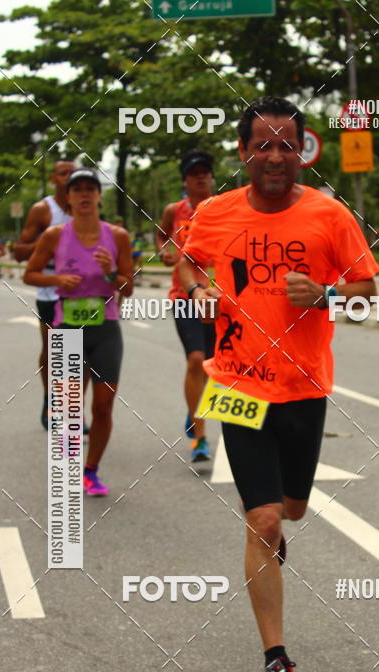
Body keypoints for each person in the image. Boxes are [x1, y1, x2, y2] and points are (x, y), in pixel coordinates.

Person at [179, 97, 378, 672]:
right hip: (237, 386)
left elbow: (366, 292)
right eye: (262, 145)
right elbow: (186, 264)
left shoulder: (329, 215)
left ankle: (275, 528)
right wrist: (198, 286)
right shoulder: (214, 214)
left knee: (291, 511)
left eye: (285, 145)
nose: (274, 156)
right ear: (243, 154)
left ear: (301, 153)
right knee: (261, 519)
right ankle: (277, 663)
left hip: (305, 388)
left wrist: (323, 293)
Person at [23, 168, 133, 496]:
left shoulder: (117, 236)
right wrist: (56, 280)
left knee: (102, 406)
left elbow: (127, 289)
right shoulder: (55, 235)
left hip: (106, 327)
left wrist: (110, 272)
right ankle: (70, 469)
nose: (84, 195)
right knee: (71, 407)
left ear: (99, 196)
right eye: (78, 190)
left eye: (90, 189)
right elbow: (29, 274)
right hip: (67, 325)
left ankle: (91, 471)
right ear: (68, 198)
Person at [157, 149, 215, 463]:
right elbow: (162, 237)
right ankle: (201, 440)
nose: (202, 176)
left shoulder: (224, 208)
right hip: (184, 296)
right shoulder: (174, 210)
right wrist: (165, 251)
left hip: (218, 299)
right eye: (195, 173)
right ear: (186, 180)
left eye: (206, 171)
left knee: (211, 364)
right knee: (195, 359)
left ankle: (194, 414)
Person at [14, 159, 76, 428]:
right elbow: (19, 252)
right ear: (54, 178)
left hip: (80, 290)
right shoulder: (42, 210)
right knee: (54, 349)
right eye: (63, 174)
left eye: (73, 174)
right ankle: (50, 400)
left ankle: (70, 408)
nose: (69, 179)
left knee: (77, 352)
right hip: (49, 288)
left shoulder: (86, 207)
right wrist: (48, 239)